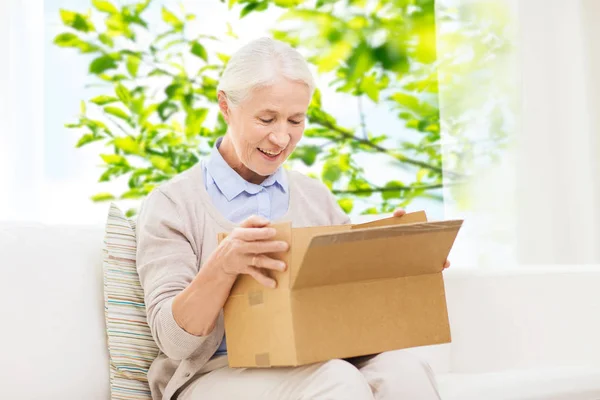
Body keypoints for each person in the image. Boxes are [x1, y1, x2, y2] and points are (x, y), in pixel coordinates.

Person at [136, 37, 449, 400]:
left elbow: (353, 313)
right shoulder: (172, 203)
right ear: (225, 105)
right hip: (214, 374)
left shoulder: (316, 199)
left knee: (405, 370)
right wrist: (224, 265)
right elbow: (173, 342)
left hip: (317, 360)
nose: (281, 137)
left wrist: (403, 264)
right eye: (266, 118)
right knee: (335, 379)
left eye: (295, 120)